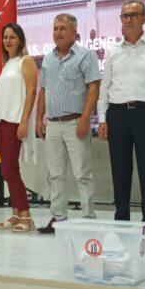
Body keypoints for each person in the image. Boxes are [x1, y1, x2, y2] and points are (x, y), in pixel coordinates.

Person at [98, 0, 145, 243]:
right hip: (118, 114)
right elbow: (105, 86)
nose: (128, 19)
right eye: (124, 15)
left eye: (133, 14)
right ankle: (121, 223)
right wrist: (102, 118)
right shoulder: (112, 50)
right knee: (120, 173)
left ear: (144, 18)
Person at [35, 13, 102, 234]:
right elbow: (43, 90)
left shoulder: (86, 56)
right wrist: (39, 118)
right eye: (55, 28)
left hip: (76, 123)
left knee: (83, 174)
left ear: (74, 31)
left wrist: (85, 118)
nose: (58, 32)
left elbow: (93, 88)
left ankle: (89, 219)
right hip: (53, 124)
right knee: (55, 174)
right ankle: (59, 218)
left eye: (63, 28)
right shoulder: (48, 58)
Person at [0, 23, 38, 233]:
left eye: (12, 37)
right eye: (5, 37)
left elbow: (31, 92)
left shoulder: (25, 61)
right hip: (1, 121)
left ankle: (27, 217)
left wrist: (24, 121)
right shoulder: (7, 64)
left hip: (14, 121)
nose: (7, 41)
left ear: (20, 39)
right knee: (7, 169)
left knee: (9, 169)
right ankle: (16, 213)